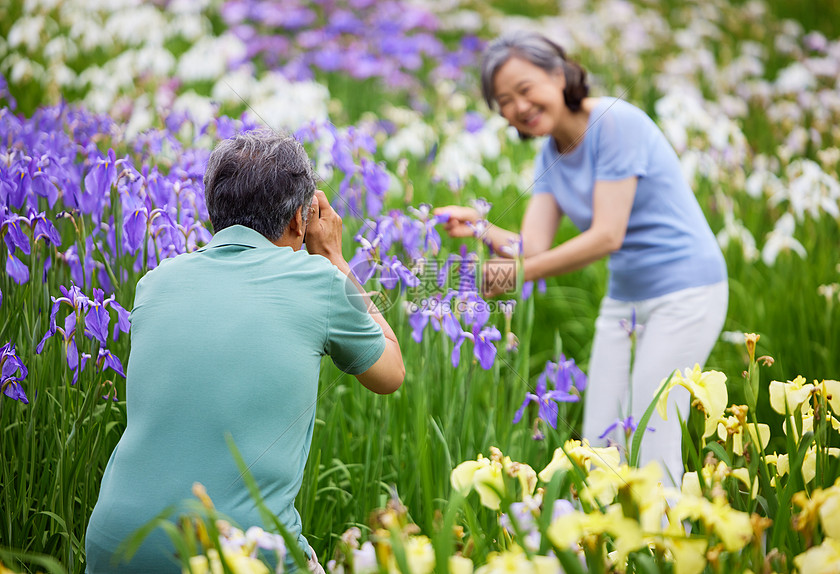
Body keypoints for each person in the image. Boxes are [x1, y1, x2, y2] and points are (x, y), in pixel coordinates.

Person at [85, 130, 404, 573]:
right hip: (235, 553)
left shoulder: (155, 282)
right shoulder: (319, 281)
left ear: (214, 211)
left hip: (114, 546)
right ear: (300, 219)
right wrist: (334, 256)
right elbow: (391, 371)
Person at [436, 31, 728, 483]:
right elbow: (531, 246)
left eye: (525, 89)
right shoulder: (550, 153)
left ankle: (666, 546)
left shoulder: (614, 123)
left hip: (687, 294)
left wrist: (517, 274)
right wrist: (479, 227)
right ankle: (605, 551)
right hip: (626, 300)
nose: (519, 107)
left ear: (559, 74)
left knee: (652, 437)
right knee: (598, 445)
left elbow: (606, 236)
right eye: (504, 101)